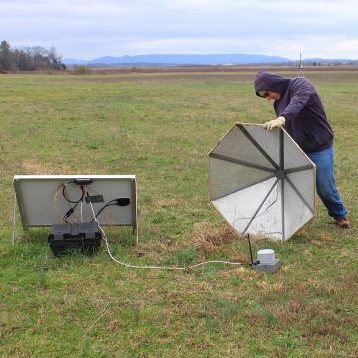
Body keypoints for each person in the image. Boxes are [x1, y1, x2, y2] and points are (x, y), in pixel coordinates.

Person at [254, 71, 350, 228]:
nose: (268, 98)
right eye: (264, 97)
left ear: (273, 85)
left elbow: (298, 102)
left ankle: (339, 214)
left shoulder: (300, 85)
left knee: (324, 186)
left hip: (319, 146)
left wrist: (282, 118)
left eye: (267, 94)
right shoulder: (278, 102)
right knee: (291, 184)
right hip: (297, 149)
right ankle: (294, 220)